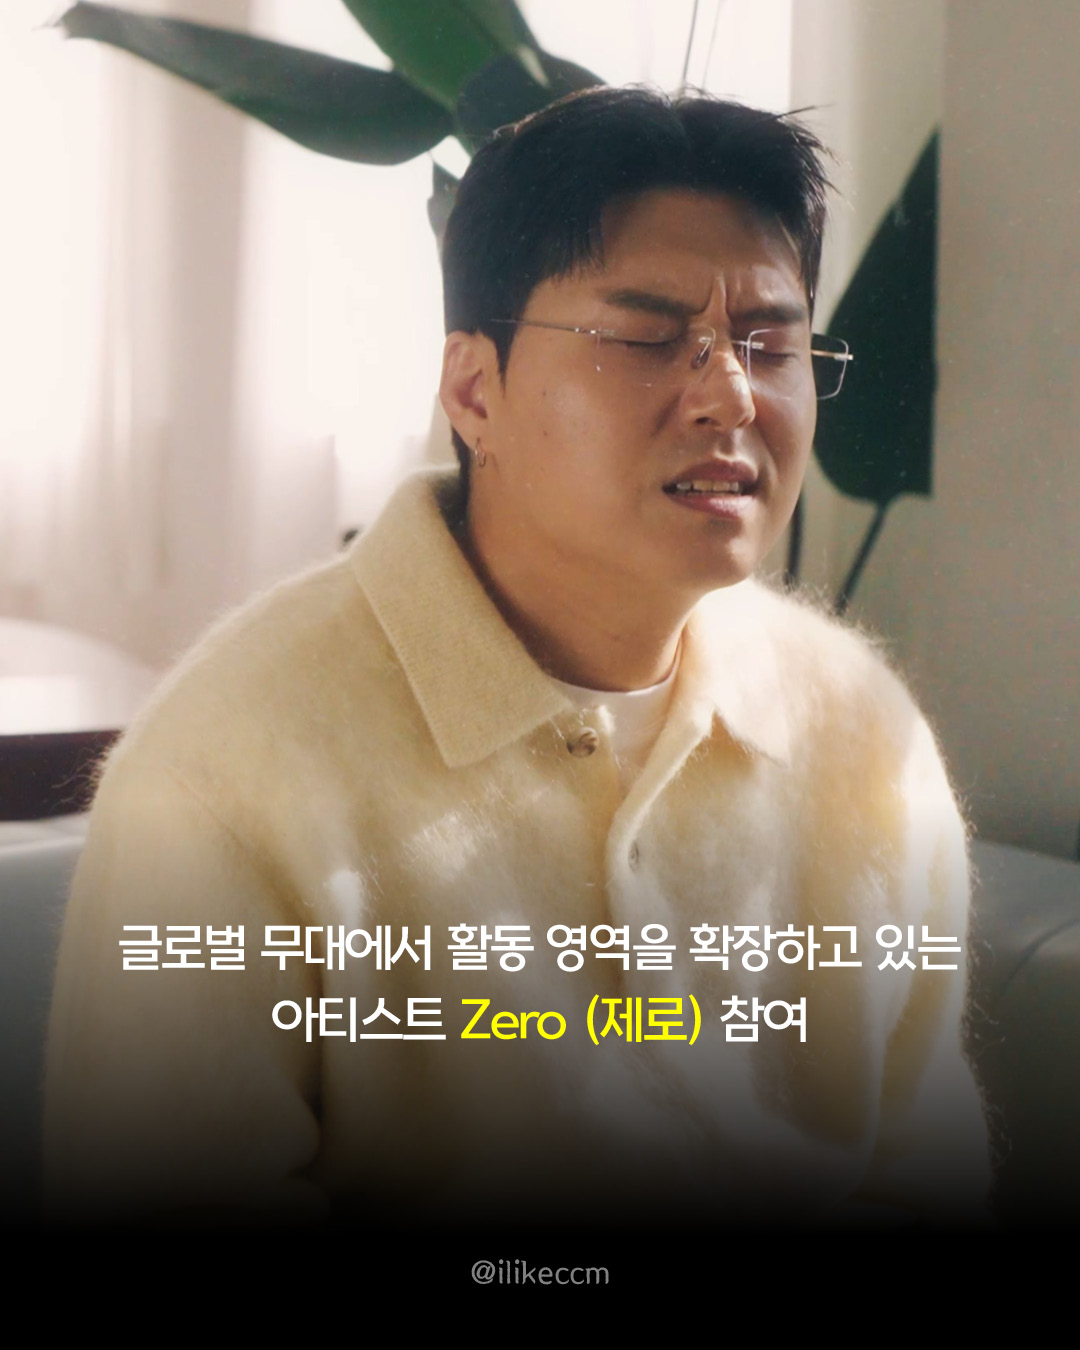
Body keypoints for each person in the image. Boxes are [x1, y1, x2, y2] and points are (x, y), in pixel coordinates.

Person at [44, 86, 989, 1231]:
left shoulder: (863, 734)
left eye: (770, 345)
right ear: (473, 390)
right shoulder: (226, 770)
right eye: (649, 338)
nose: (731, 396)